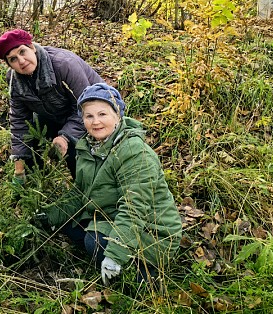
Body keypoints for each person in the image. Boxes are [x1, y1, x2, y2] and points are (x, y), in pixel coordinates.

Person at [35, 83, 182, 285]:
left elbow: (134, 208)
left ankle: (141, 277)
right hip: (112, 214)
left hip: (153, 232)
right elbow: (81, 193)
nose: (96, 122)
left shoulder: (133, 152)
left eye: (102, 114)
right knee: (68, 224)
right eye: (89, 116)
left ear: (118, 115)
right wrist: (49, 214)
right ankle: (111, 257)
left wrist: (115, 254)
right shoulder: (88, 146)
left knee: (94, 241)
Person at [0, 29, 103, 182]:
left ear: (32, 47)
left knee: (74, 151)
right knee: (33, 136)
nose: (21, 61)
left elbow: (87, 108)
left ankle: (83, 189)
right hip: (54, 114)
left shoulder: (63, 65)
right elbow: (19, 121)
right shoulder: (15, 81)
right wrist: (19, 166)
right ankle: (36, 186)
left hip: (96, 112)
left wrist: (65, 137)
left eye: (22, 52)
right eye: (13, 59)